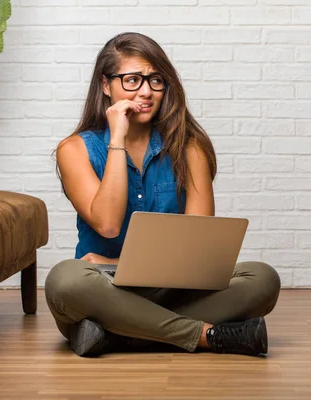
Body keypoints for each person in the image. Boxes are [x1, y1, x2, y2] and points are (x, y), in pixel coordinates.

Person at [44, 32, 281, 358]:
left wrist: (114, 262)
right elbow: (109, 226)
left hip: (175, 288)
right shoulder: (74, 150)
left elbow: (200, 244)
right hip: (103, 287)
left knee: (261, 278)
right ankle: (208, 335)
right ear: (105, 85)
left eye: (156, 80)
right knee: (65, 281)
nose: (145, 91)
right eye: (132, 80)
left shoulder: (190, 147)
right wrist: (118, 138)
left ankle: (117, 335)